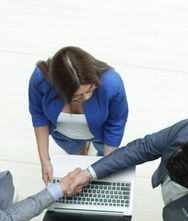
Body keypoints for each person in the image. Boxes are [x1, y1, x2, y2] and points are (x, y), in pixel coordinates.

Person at [28, 46, 129, 184]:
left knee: (100, 159)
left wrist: (106, 167)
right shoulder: (40, 79)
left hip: (101, 134)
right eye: (78, 95)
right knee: (78, 157)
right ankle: (82, 149)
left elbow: (115, 124)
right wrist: (44, 160)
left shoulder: (112, 83)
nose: (87, 97)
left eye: (91, 89)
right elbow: (38, 114)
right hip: (63, 135)